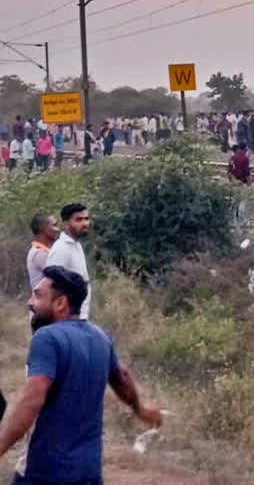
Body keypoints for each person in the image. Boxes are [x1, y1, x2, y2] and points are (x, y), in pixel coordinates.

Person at [0, 266, 163, 484]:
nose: (31, 302)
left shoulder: (47, 337)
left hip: (46, 472)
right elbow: (121, 378)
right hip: (88, 472)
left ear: (60, 303)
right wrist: (140, 409)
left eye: (38, 296)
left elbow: (31, 401)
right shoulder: (101, 336)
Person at [45, 203, 93, 320]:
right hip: (67, 318)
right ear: (66, 223)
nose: (84, 223)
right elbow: (53, 286)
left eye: (86, 219)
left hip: (81, 316)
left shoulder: (76, 244)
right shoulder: (61, 248)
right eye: (78, 220)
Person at [26, 213, 59, 290]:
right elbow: (62, 277)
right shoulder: (39, 253)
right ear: (42, 228)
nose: (58, 229)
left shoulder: (43, 251)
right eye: (54, 225)